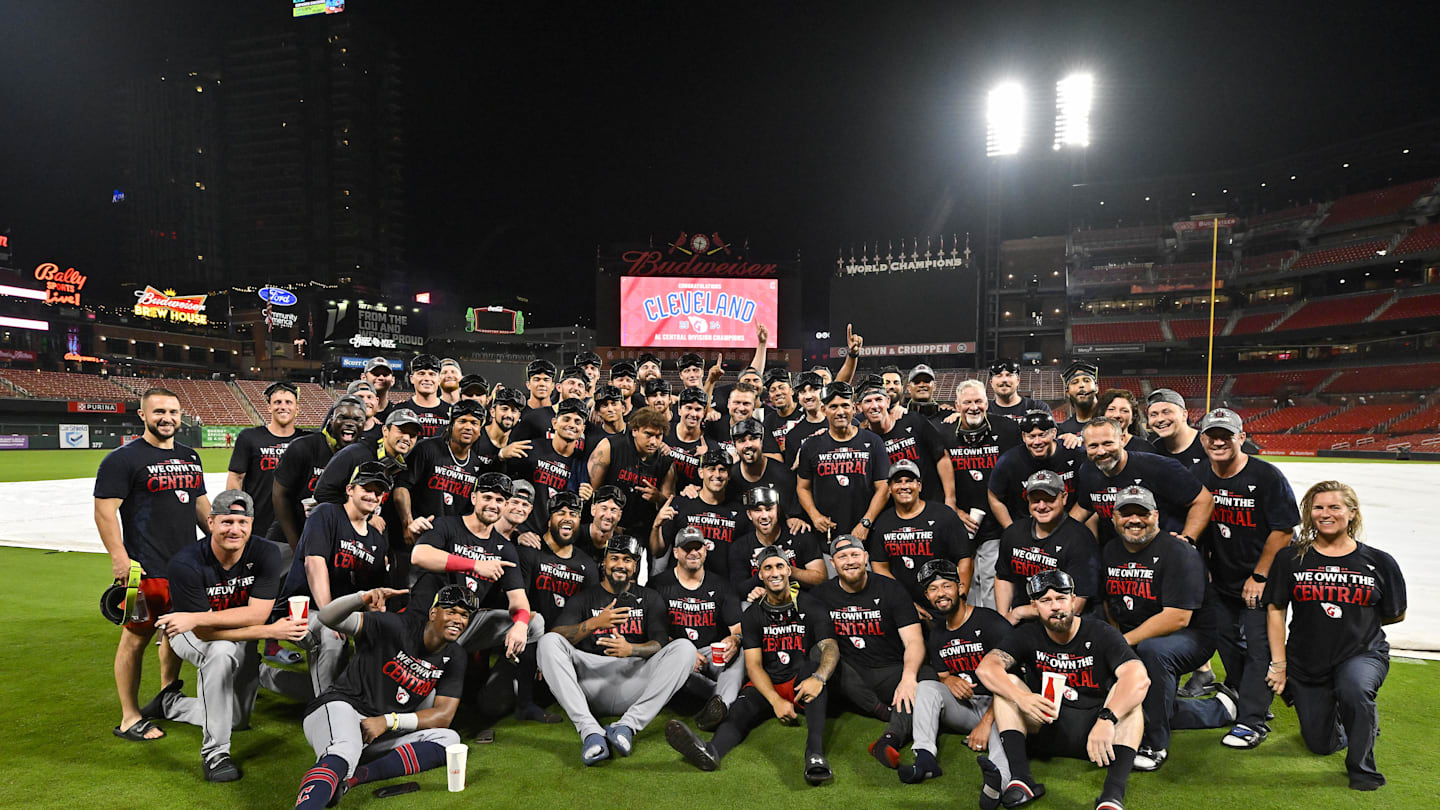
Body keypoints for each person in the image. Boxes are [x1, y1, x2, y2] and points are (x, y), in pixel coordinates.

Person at [142, 490, 306, 781]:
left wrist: (198, 616)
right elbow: (206, 632)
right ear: (211, 522)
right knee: (219, 652)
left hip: (231, 629)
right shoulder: (186, 562)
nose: (235, 529)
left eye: (242, 522)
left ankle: (171, 704)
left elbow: (256, 614)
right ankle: (215, 754)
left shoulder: (265, 553)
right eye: (227, 521)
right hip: (189, 633)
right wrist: (270, 631)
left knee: (236, 719)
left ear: (252, 524)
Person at [1264, 481, 1406, 791]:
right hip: (1307, 659)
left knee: (1355, 688)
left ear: (1352, 513)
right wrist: (1279, 663)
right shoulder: (1289, 560)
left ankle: (1363, 770)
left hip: (1362, 653)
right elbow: (1275, 609)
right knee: (1320, 744)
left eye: (1334, 507)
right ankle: (1356, 723)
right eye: (1318, 507)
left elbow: (1395, 613)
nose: (1325, 514)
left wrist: (1353, 623)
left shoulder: (1380, 562)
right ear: (1309, 513)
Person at [663, 546, 839, 785]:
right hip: (767, 681)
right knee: (738, 712)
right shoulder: (753, 615)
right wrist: (775, 701)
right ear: (761, 574)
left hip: (800, 680)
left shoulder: (811, 605)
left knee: (814, 674)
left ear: (789, 570)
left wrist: (819, 678)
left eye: (779, 566)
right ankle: (711, 751)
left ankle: (815, 755)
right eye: (768, 568)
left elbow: (830, 647)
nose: (774, 572)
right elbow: (754, 665)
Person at [976, 569, 1148, 810]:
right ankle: (1021, 779)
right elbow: (986, 669)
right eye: (1046, 601)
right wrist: (1022, 698)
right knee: (1007, 687)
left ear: (1073, 601)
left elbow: (1139, 678)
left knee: (1130, 695)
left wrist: (1107, 719)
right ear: (1035, 606)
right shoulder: (1027, 634)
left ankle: (1112, 796)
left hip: (1096, 733)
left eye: (1061, 598)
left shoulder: (1101, 632)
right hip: (1047, 723)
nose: (1055, 606)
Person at [95, 387, 211, 742]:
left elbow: (200, 505)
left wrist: (221, 545)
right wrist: (119, 556)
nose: (167, 418)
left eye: (173, 412)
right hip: (145, 570)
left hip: (186, 568)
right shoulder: (122, 459)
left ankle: (166, 695)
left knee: (174, 634)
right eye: (159, 411)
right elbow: (104, 510)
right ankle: (130, 716)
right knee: (134, 640)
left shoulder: (190, 456)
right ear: (142, 415)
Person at [291, 584, 472, 809]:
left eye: (464, 615)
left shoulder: (455, 656)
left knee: (449, 740)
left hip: (380, 729)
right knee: (344, 750)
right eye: (451, 611)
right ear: (433, 613)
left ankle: (352, 779)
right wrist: (360, 597)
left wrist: (388, 721)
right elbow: (328, 617)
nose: (458, 619)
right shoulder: (395, 626)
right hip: (341, 707)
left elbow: (443, 716)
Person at [1101, 486, 1235, 772]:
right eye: (1126, 514)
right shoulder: (1110, 550)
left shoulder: (1179, 552)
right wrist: (1115, 639)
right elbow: (1108, 603)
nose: (1134, 520)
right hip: (1137, 633)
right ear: (1114, 518)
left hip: (1190, 637)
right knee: (1125, 695)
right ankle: (1219, 709)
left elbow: (1177, 618)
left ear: (1156, 516)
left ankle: (1154, 744)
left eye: (1143, 513)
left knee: (1154, 652)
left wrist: (1123, 643)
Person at [536, 535, 697, 764]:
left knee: (685, 648)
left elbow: (660, 642)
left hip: (633, 679)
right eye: (615, 558)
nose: (621, 565)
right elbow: (556, 636)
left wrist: (630, 649)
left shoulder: (650, 597)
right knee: (547, 642)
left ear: (635, 565)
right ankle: (590, 732)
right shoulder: (586, 596)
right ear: (604, 562)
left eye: (628, 560)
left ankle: (627, 727)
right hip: (590, 682)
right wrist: (594, 624)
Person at [409, 471, 553, 723]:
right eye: (487, 497)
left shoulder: (504, 547)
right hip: (430, 627)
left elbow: (518, 600)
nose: (493, 505)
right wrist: (474, 564)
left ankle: (498, 697)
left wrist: (519, 624)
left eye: (500, 500)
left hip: (468, 624)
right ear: (474, 498)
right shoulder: (448, 525)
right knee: (419, 709)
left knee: (533, 622)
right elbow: (419, 555)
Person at [1195, 408, 1300, 747]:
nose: (1219, 441)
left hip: (1262, 579)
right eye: (1212, 435)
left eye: (1226, 434)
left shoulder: (1267, 476)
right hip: (1222, 578)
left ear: (1241, 437)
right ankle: (1247, 696)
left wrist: (1260, 574)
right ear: (1202, 440)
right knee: (1224, 640)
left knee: (1259, 646)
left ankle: (1252, 722)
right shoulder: (1198, 476)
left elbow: (1284, 530)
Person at [264, 463, 395, 700]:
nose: (373, 496)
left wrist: (377, 615)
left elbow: (371, 592)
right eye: (367, 488)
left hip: (342, 613)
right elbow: (314, 564)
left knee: (381, 640)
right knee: (331, 639)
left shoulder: (377, 538)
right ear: (350, 489)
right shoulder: (326, 514)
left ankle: (267, 676)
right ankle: (327, 709)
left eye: (378, 492)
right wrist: (331, 615)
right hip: (304, 610)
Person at [809, 534, 928, 769]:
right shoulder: (820, 595)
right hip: (848, 676)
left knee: (926, 677)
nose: (850, 561)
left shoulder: (891, 589)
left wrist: (907, 678)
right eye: (842, 556)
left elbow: (915, 640)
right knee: (817, 654)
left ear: (865, 558)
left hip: (887, 672)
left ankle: (888, 740)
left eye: (855, 554)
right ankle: (880, 710)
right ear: (832, 564)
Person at [899, 559, 1013, 787]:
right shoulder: (938, 634)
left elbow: (1015, 680)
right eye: (933, 589)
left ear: (960, 588)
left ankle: (999, 782)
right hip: (968, 707)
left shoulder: (991, 623)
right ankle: (925, 758)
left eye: (946, 586)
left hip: (1002, 706)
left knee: (1003, 731)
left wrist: (987, 722)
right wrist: (948, 679)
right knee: (926, 687)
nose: (940, 593)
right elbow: (942, 675)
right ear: (927, 597)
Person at [652, 527, 744, 731]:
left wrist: (734, 640)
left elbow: (737, 627)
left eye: (698, 547)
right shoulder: (659, 585)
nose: (693, 552)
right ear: (676, 552)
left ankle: (721, 705)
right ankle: (721, 698)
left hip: (710, 653)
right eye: (687, 548)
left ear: (705, 550)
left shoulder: (721, 584)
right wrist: (684, 654)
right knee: (661, 662)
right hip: (674, 654)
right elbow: (653, 633)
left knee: (741, 652)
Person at [1070, 417, 1213, 547]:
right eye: (1093, 446)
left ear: (1122, 439)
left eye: (1108, 443)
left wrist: (1187, 539)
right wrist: (1060, 534)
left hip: (1161, 553)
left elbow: (1203, 500)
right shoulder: (1088, 470)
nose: (1101, 451)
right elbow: (1084, 507)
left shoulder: (1158, 467)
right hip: (1119, 556)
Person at [946, 379, 1022, 607]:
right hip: (959, 523)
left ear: (987, 403)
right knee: (963, 585)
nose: (973, 407)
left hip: (995, 525)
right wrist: (955, 512)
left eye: (978, 401)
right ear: (957, 405)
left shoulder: (1007, 429)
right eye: (967, 402)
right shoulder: (944, 431)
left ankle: (992, 635)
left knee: (992, 584)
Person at [995, 471, 1101, 625]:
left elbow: (1075, 606)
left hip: (1067, 623)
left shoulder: (1080, 539)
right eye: (1036, 500)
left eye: (1049, 499)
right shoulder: (1013, 533)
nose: (1042, 506)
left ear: (1064, 498)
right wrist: (1004, 620)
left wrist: (1020, 612)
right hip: (1026, 622)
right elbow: (1004, 577)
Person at [870, 460, 975, 616]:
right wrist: (904, 603)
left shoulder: (944, 515)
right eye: (898, 482)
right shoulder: (882, 523)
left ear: (919, 485)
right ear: (890, 488)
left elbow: (965, 558)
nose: (904, 486)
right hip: (905, 606)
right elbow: (880, 567)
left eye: (909, 481)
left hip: (944, 603)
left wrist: (961, 594)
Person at [267, 396, 367, 552]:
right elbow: (279, 496)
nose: (350, 423)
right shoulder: (303, 447)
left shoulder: (362, 456)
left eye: (357, 419)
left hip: (330, 540)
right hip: (288, 537)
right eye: (343, 417)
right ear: (331, 420)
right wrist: (296, 545)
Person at [796, 381, 890, 543]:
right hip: (826, 536)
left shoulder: (873, 441)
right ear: (824, 410)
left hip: (865, 535)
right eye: (833, 407)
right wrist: (815, 516)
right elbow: (802, 487)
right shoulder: (811, 445)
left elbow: (883, 487)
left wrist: (865, 522)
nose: (840, 412)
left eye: (845, 406)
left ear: (853, 408)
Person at [393, 400, 487, 550]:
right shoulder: (427, 449)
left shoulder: (476, 464)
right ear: (451, 424)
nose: (468, 427)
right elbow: (401, 488)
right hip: (418, 534)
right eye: (462, 421)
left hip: (448, 541)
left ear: (480, 428)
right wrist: (408, 523)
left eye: (474, 423)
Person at [859, 377, 956, 509]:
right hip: (894, 513)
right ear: (859, 407)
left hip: (931, 504)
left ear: (887, 401)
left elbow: (941, 456)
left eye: (878, 400)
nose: (874, 406)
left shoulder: (913, 420)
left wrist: (950, 499)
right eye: (868, 401)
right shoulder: (864, 440)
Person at [227, 381, 306, 540]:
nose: (283, 406)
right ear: (269, 407)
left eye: (288, 402)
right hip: (258, 523)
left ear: (297, 409)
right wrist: (238, 514)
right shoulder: (249, 437)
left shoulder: (307, 439)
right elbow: (236, 477)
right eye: (277, 402)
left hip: (298, 524)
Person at [654, 449, 749, 579]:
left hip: (722, 588)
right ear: (701, 473)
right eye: (711, 469)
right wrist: (656, 526)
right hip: (679, 586)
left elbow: (742, 560)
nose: (717, 474)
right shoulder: (680, 504)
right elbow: (657, 551)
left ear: (729, 475)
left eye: (722, 470)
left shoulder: (740, 512)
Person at [506, 397, 593, 539]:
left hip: (556, 539)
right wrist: (502, 456)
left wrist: (588, 498)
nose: (571, 425)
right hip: (524, 533)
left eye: (577, 422)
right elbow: (506, 486)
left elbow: (580, 509)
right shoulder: (531, 448)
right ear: (554, 423)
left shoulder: (581, 464)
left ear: (582, 429)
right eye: (566, 419)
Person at [987, 411, 1086, 530]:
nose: (1037, 442)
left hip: (1068, 523)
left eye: (1042, 435)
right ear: (1024, 437)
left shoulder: (1074, 453)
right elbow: (994, 496)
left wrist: (1068, 528)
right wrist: (1011, 529)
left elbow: (1087, 495)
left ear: (1054, 433)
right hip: (1026, 527)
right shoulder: (1008, 461)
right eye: (1031, 436)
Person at [587, 405, 674, 536]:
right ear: (635, 431)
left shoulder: (666, 461)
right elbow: (592, 494)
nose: (653, 442)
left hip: (642, 530)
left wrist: (658, 497)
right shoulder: (609, 447)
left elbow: (669, 504)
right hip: (605, 527)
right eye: (648, 434)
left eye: (658, 436)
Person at [728, 485, 827, 598]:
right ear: (749, 515)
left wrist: (787, 569)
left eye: (769, 509)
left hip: (799, 602)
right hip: (760, 605)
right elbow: (737, 589)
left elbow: (821, 579)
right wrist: (764, 572)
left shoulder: (799, 534)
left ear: (777, 510)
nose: (764, 516)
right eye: (757, 511)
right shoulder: (740, 547)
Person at [312, 407, 419, 506]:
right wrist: (365, 516)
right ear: (385, 430)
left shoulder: (401, 463)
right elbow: (323, 492)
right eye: (401, 431)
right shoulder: (355, 453)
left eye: (412, 435)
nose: (406, 438)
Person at [728, 417, 805, 530]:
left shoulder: (783, 475)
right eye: (742, 441)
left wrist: (796, 520)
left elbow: (794, 515)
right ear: (735, 446)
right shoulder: (731, 477)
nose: (748, 445)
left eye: (753, 438)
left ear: (762, 442)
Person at [665, 386, 712, 490]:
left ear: (703, 413)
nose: (693, 414)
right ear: (679, 410)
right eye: (689, 408)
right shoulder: (663, 433)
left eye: (698, 409)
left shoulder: (710, 446)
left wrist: (708, 458)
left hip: (691, 501)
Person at [782, 371, 829, 469]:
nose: (808, 396)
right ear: (798, 397)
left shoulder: (838, 424)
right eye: (803, 392)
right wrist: (798, 462)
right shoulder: (792, 436)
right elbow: (789, 476)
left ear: (823, 392)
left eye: (814, 390)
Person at [474, 386, 526, 474]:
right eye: (504, 409)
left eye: (514, 411)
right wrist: (500, 456)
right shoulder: (475, 437)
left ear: (519, 416)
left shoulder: (515, 450)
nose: (509, 415)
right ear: (492, 412)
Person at [401, 354, 453, 439]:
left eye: (432, 374)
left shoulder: (452, 412)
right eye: (421, 373)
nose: (427, 378)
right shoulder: (400, 410)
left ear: (439, 379)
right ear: (412, 379)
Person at [988, 359, 1052, 422]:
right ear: (991, 382)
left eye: (1009, 375)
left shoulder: (1038, 408)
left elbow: (1052, 431)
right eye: (999, 376)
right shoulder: (985, 411)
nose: (1004, 380)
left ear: (1018, 380)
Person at [1097, 389, 1158, 454]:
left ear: (1132, 418)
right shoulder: (1090, 445)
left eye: (1124, 411)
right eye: (1111, 409)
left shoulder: (1146, 449)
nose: (1117, 415)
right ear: (1102, 413)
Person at [763, 369, 805, 452]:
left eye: (782, 388)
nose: (778, 393)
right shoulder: (769, 421)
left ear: (792, 391)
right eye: (773, 390)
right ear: (769, 397)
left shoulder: (805, 412)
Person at [1055, 361, 1100, 436]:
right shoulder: (1064, 430)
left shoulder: (1113, 419)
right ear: (1067, 393)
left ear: (1096, 387)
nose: (1081, 385)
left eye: (1086, 380)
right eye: (1075, 382)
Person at [348, 380, 384, 444]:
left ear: (377, 401)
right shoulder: (340, 432)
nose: (365, 401)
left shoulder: (385, 433)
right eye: (360, 397)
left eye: (370, 397)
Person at [363, 356, 398, 420]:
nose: (381, 378)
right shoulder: (355, 412)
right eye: (376, 374)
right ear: (363, 378)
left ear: (393, 380)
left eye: (385, 374)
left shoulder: (397, 413)